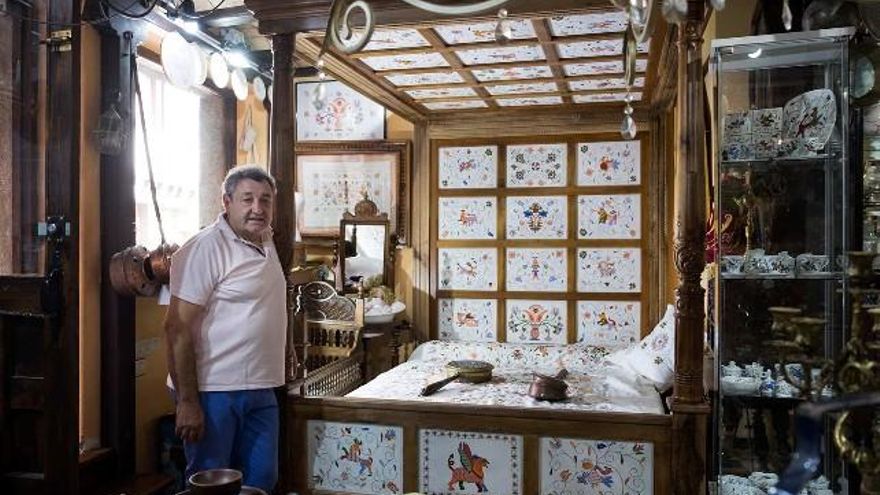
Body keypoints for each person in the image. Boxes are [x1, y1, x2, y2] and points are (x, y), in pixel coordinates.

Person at [164, 165, 287, 492]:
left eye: (265, 200)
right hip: (213, 389)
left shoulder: (267, 239)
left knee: (262, 481)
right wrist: (187, 402)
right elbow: (176, 328)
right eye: (247, 199)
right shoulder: (206, 247)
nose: (257, 208)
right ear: (227, 202)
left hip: (261, 385)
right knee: (212, 483)